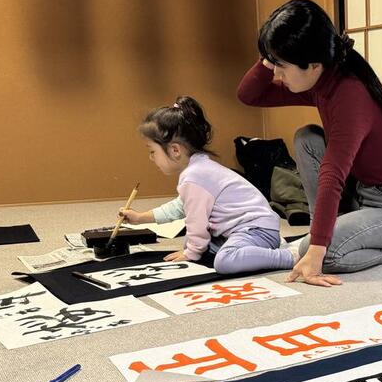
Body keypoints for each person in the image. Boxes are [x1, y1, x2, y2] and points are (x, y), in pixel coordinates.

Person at [237, 0, 382, 287]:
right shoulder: (321, 80)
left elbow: (333, 172)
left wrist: (316, 249)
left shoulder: (350, 93)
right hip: (362, 194)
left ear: (312, 64)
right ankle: (324, 229)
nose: (276, 74)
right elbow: (250, 96)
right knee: (307, 138)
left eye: (281, 65)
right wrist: (270, 55)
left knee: (320, 254)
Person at [120, 96, 294, 275]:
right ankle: (255, 251)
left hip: (257, 229)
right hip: (250, 229)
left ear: (175, 150)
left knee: (224, 261)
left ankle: (289, 256)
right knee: (193, 241)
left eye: (152, 152)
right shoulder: (199, 167)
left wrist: (192, 252)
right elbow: (180, 207)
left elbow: (196, 220)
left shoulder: (194, 176)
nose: (151, 158)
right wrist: (140, 218)